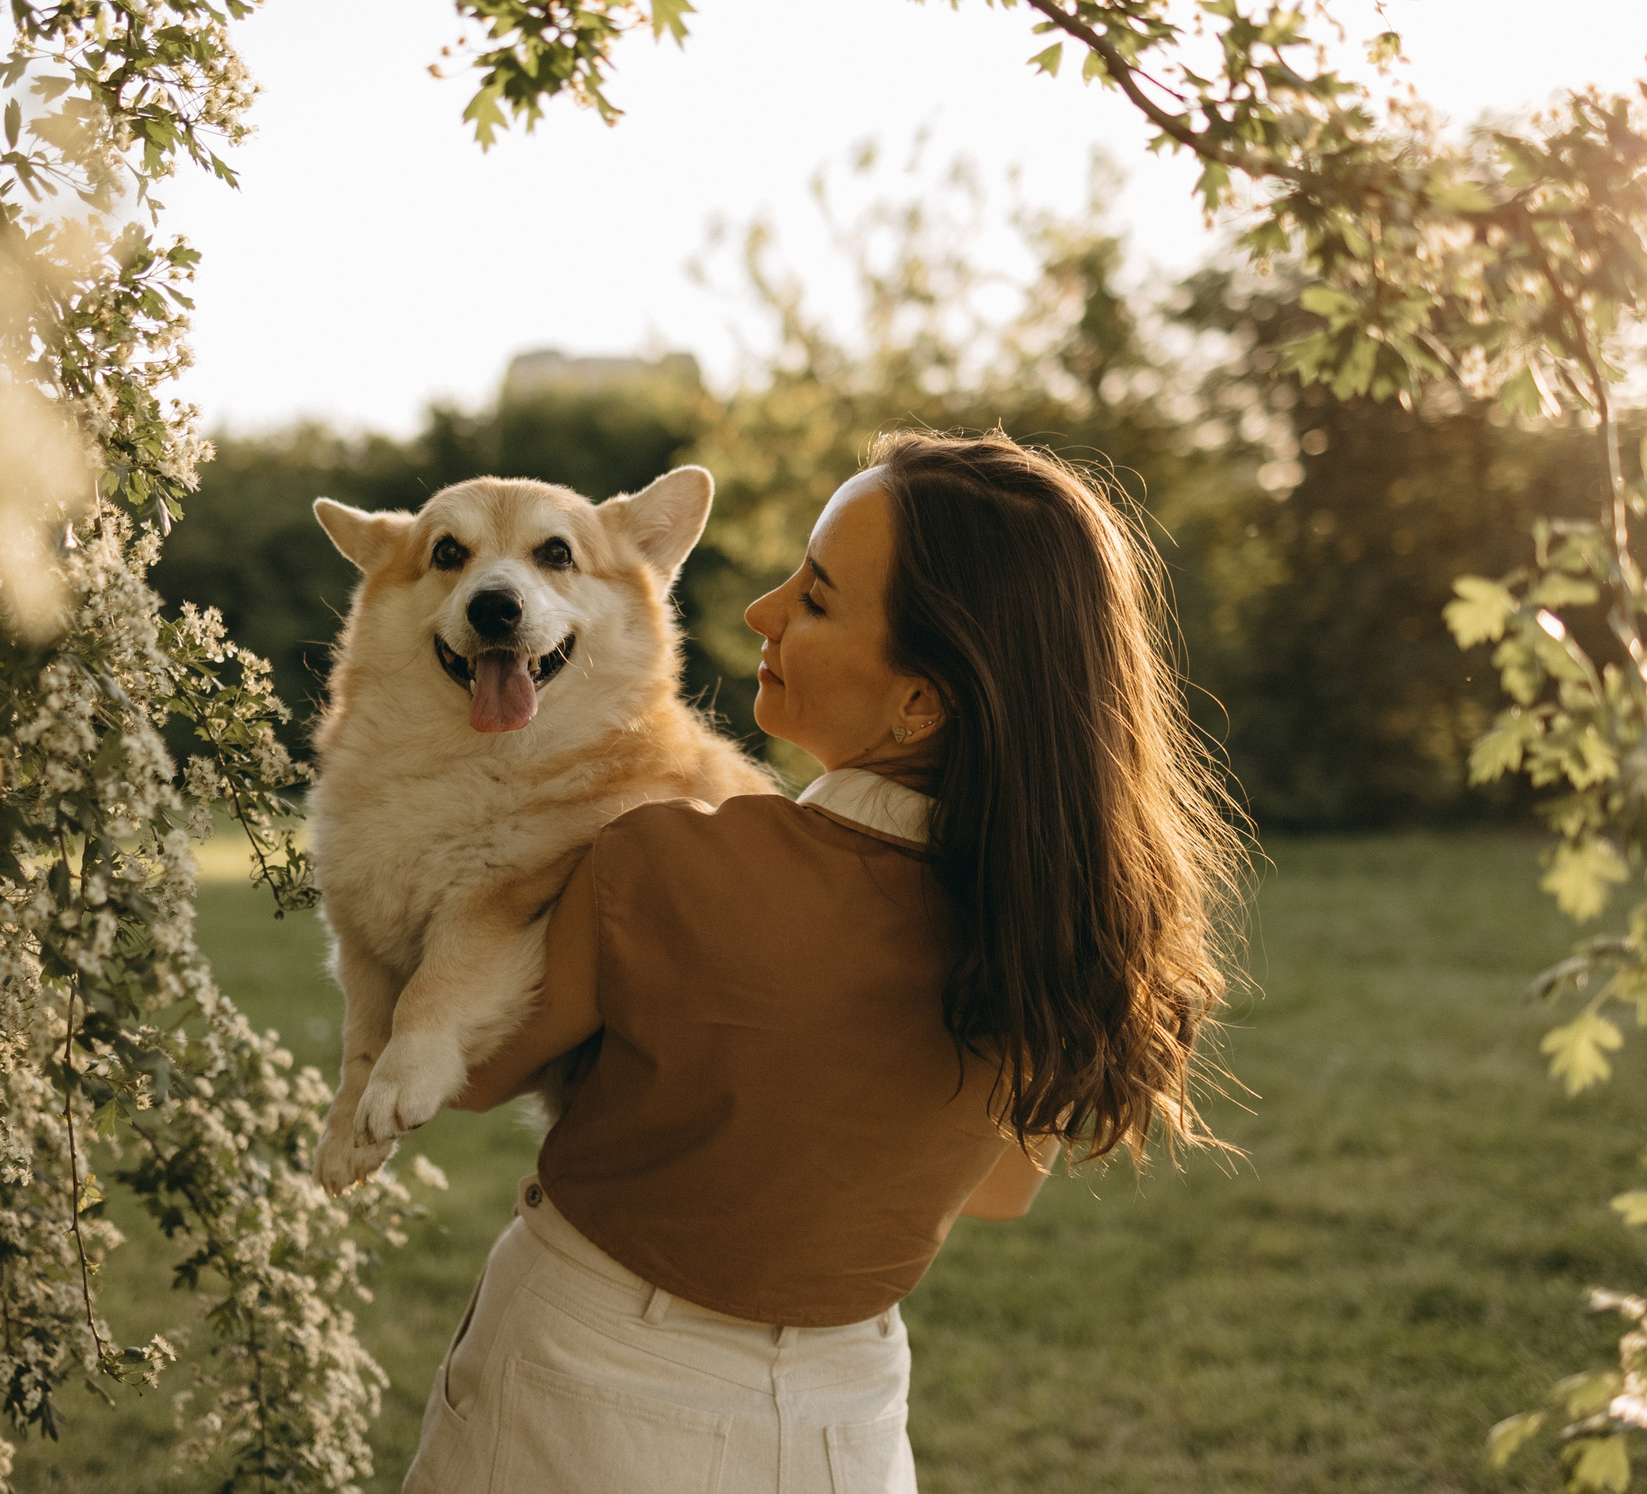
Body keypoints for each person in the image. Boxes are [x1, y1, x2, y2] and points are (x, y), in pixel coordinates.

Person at [402, 428, 1244, 1494]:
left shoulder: (663, 859)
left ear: (921, 700)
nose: (761, 609)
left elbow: (467, 1073)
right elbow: (993, 1188)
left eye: (814, 595)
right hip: (845, 1423)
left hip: (581, 1384)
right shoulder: (1056, 926)